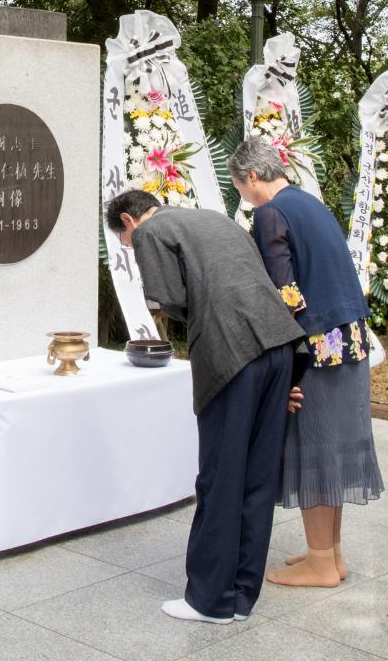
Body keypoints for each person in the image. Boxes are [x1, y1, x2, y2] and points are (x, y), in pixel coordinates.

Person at [106, 189, 304, 625]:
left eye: (125, 242)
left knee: (221, 473)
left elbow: (170, 296)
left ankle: (210, 599)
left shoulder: (151, 230)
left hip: (233, 351)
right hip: (280, 345)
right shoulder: (212, 218)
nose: (132, 248)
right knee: (257, 475)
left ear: (129, 220)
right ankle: (241, 595)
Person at [228, 138, 383, 588]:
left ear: (252, 176)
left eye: (242, 187)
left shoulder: (271, 213)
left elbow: (286, 296)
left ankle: (321, 563)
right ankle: (330, 554)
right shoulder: (308, 203)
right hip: (349, 337)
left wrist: (275, 362)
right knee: (333, 445)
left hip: (317, 345)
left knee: (316, 446)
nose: (245, 196)